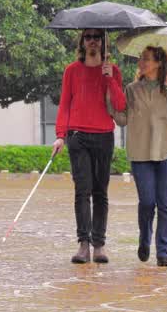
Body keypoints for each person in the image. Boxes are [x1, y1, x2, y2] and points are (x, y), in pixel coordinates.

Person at [109, 46, 167, 267]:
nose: (141, 62)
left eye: (146, 59)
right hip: (141, 153)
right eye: (141, 58)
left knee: (164, 203)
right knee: (147, 202)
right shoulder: (132, 89)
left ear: (158, 63)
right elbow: (123, 119)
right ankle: (144, 238)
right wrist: (109, 100)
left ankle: (164, 252)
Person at [53, 28, 127, 264]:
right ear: (82, 42)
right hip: (78, 137)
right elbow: (65, 104)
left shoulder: (113, 70)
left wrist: (109, 78)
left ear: (104, 42)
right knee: (82, 190)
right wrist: (60, 135)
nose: (92, 41)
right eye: (88, 37)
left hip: (104, 136)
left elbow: (120, 103)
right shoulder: (72, 71)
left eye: (97, 37)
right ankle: (83, 244)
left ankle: (99, 245)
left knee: (100, 192)